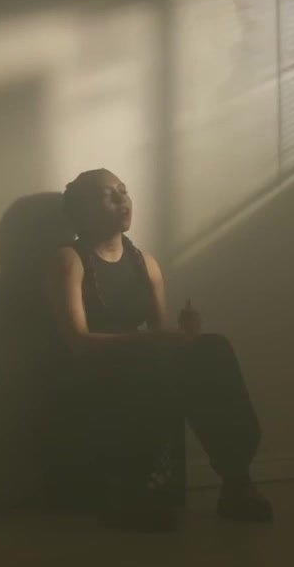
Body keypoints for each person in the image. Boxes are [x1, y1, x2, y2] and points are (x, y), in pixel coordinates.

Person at [44, 168, 274, 530]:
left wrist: (184, 335)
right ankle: (139, 495)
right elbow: (78, 342)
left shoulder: (144, 261)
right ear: (83, 209)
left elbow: (158, 332)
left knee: (212, 349)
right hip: (96, 368)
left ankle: (236, 479)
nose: (122, 199)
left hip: (143, 359)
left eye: (124, 190)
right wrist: (147, 342)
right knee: (151, 366)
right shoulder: (69, 260)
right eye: (107, 195)